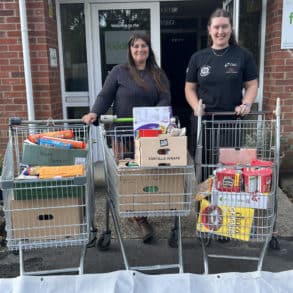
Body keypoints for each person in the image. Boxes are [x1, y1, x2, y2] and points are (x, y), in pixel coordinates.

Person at [82, 32, 171, 243]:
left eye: (144, 46)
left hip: (147, 135)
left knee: (145, 175)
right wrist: (94, 112)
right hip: (122, 133)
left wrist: (153, 117)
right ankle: (139, 218)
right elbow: (105, 95)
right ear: (130, 50)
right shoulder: (119, 72)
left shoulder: (157, 74)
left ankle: (141, 212)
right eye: (136, 46)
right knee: (128, 175)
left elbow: (165, 99)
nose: (140, 50)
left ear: (149, 49)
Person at [185, 8, 258, 160]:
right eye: (216, 27)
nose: (220, 31)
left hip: (230, 120)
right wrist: (195, 107)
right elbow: (189, 88)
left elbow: (251, 85)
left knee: (228, 166)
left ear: (231, 29)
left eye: (224, 26)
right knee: (203, 164)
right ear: (209, 30)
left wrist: (247, 104)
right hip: (204, 121)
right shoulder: (198, 58)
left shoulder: (243, 55)